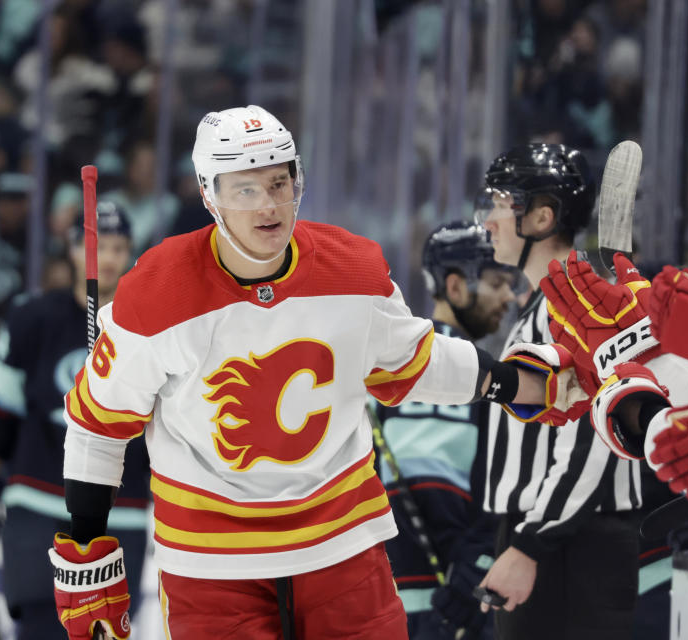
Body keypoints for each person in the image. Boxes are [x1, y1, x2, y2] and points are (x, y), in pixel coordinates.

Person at [47, 105, 558, 640]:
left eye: (279, 182)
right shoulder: (156, 292)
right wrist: (85, 544)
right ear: (209, 194)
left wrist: (521, 382)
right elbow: (99, 424)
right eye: (246, 189)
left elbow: (417, 359)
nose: (270, 205)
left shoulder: (354, 268)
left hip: (343, 547)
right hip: (214, 564)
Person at [0, 203, 151, 640]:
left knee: (106, 631)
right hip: (37, 506)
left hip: (122, 511)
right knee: (42, 629)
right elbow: (4, 411)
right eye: (99, 247)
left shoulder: (149, 327)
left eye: (119, 247)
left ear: (132, 251)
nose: (109, 259)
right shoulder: (30, 318)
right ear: (74, 249)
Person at [473, 143, 644, 639]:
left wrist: (530, 546)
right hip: (554, 537)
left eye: (501, 204)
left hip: (571, 547)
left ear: (542, 217)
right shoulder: (549, 305)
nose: (487, 221)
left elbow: (597, 437)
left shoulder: (576, 308)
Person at [375, 221, 515, 639]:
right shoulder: (493, 381)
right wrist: (470, 581)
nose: (508, 295)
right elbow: (501, 493)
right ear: (455, 287)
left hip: (383, 606)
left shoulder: (381, 372)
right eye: (496, 282)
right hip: (462, 612)